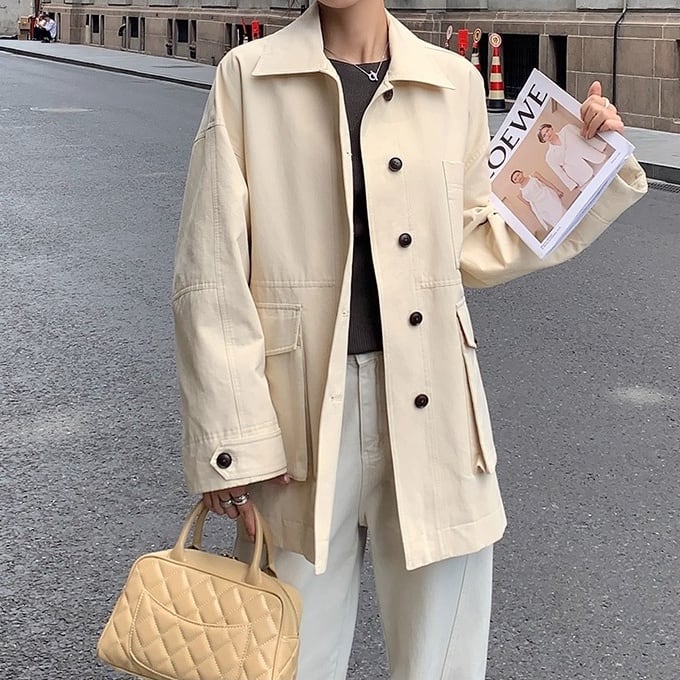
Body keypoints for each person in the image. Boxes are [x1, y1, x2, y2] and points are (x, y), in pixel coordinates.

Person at [172, 0, 647, 677]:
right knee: (290, 657)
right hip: (297, 422)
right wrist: (232, 439)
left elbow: (476, 241)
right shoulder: (248, 76)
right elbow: (212, 269)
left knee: (441, 661)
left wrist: (589, 160)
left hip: (437, 407)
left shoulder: (452, 82)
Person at [538, 121, 608, 191]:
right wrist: (571, 185)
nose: (547, 134)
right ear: (543, 140)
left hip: (594, 157)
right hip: (580, 174)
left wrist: (600, 146)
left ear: (551, 128)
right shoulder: (549, 156)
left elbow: (584, 137)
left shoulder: (568, 129)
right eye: (544, 135)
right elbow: (559, 172)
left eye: (547, 130)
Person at [510, 169, 566, 237]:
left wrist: (557, 190)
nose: (518, 178)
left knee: (560, 212)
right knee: (554, 220)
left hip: (548, 197)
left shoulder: (534, 175)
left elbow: (546, 182)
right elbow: (529, 205)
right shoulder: (520, 194)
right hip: (540, 207)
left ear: (521, 172)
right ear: (515, 182)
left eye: (518, 175)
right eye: (515, 179)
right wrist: (536, 215)